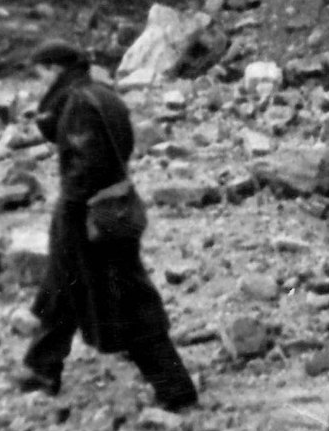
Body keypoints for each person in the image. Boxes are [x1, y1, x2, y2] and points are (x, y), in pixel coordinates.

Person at [20, 42, 198, 410]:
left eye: (38, 74)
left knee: (128, 304)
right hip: (107, 211)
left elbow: (85, 169)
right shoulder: (100, 94)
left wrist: (71, 217)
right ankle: (42, 368)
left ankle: (176, 390)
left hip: (90, 219)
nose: (36, 84)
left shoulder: (79, 105)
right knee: (62, 290)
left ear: (53, 69)